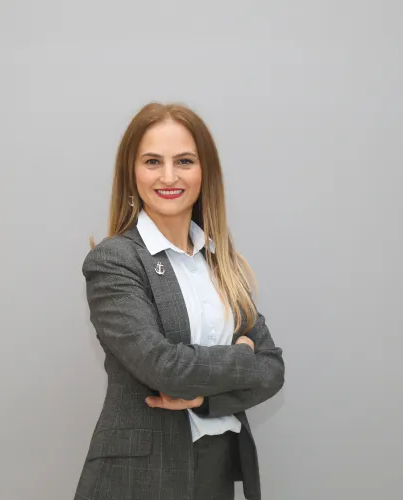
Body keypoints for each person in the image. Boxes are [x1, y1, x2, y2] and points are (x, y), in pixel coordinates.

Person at [74, 102, 285, 500]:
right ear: (132, 172)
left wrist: (204, 398)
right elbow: (164, 368)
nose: (169, 176)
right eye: (153, 161)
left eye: (184, 161)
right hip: (142, 480)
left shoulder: (221, 262)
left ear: (205, 172)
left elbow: (272, 369)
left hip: (217, 470)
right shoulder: (114, 261)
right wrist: (243, 355)